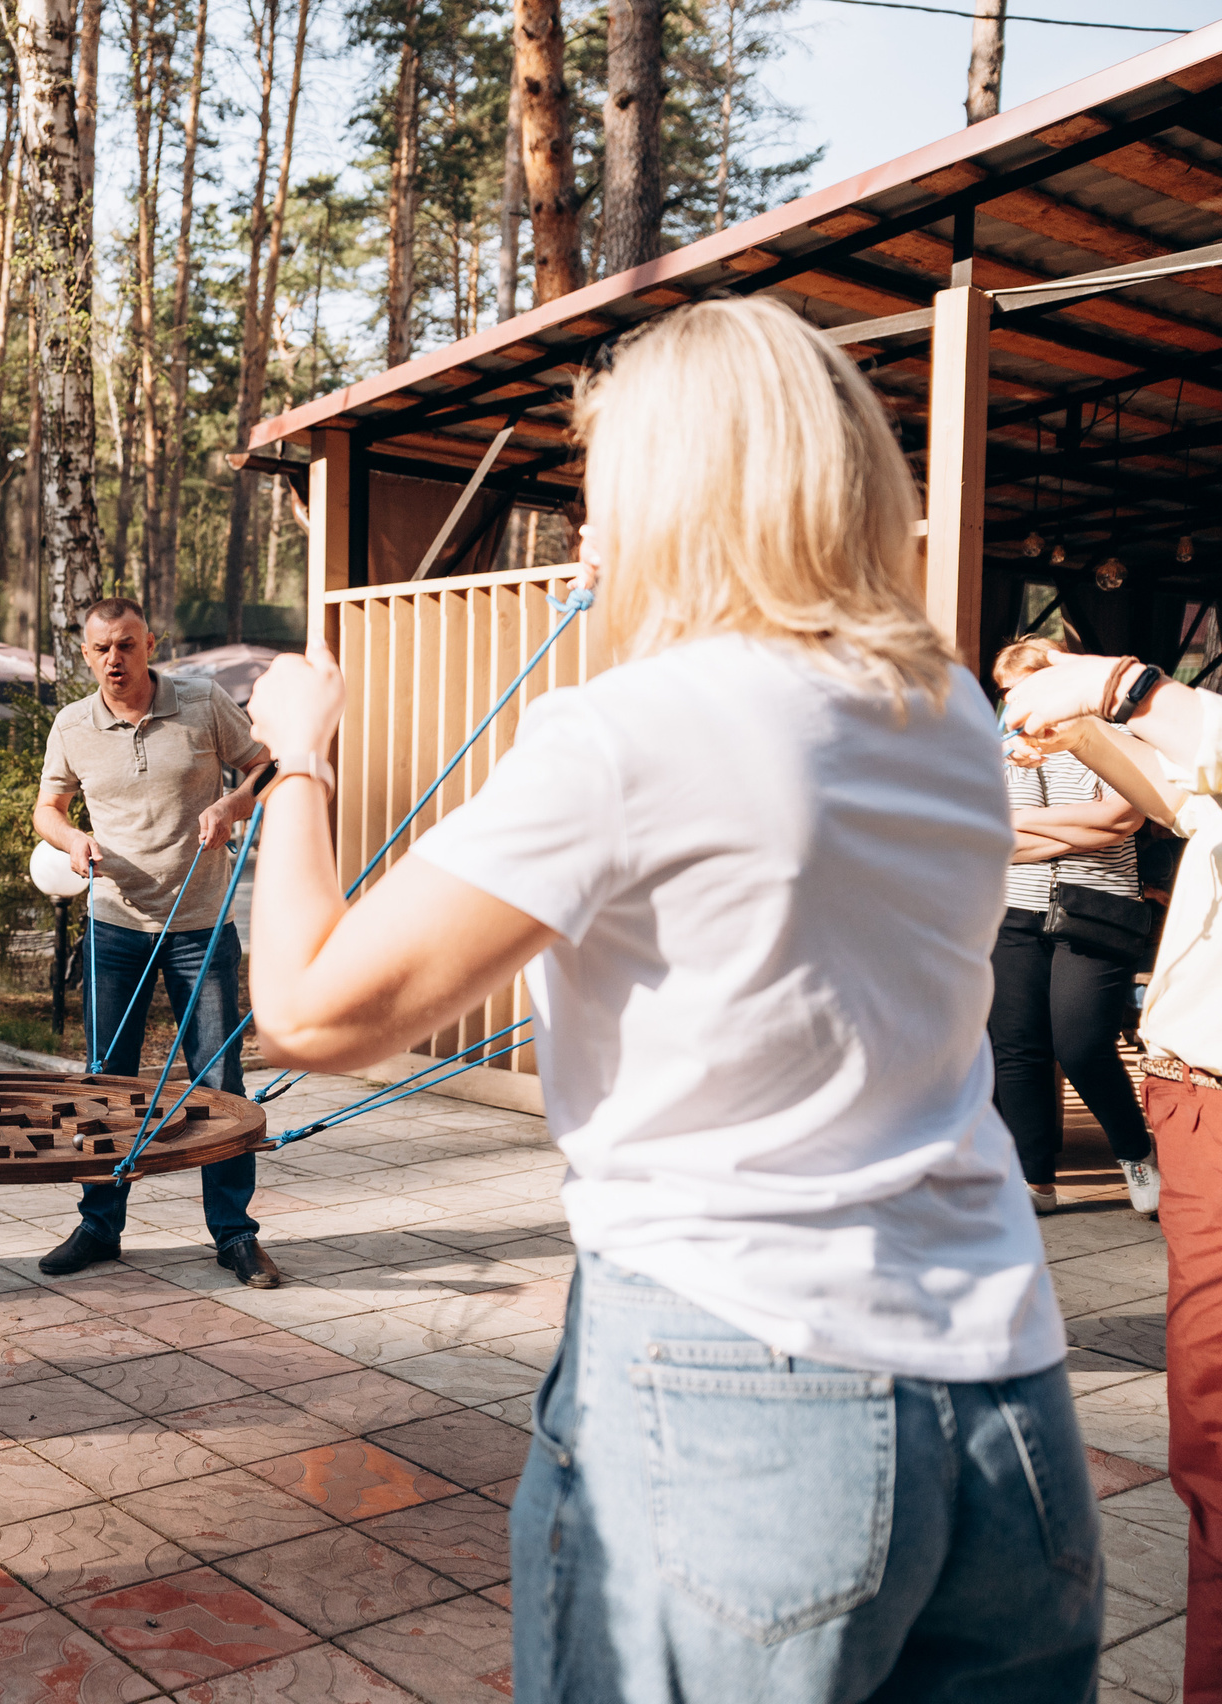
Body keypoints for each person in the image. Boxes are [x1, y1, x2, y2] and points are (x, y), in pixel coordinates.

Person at [249, 296, 1096, 1701]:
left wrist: (300, 760)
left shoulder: (641, 729)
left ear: (687, 494)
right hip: (1005, 1393)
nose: (588, 534)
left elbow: (316, 1009)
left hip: (741, 1381)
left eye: (607, 490)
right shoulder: (946, 710)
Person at [1006, 645, 1222, 1700]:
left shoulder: (1169, 701)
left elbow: (1131, 812)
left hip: (1206, 1081)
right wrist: (1088, 727)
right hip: (1197, 1091)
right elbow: (1187, 803)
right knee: (1206, 1440)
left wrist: (1127, 691)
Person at [33, 596, 277, 1286]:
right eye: (102, 648)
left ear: (150, 645)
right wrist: (73, 838)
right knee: (109, 1084)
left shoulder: (201, 704)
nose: (115, 659)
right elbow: (46, 809)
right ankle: (99, 1226)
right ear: (86, 655)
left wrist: (234, 803)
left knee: (220, 1084)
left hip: (201, 928)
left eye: (128, 645)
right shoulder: (71, 725)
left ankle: (234, 1234)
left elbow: (266, 766)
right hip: (114, 927)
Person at [988, 633, 1160, 1216]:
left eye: (1019, 689)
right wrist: (1077, 827)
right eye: (1003, 692)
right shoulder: (1003, 748)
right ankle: (1033, 1179)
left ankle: (1136, 1153)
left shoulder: (1113, 739)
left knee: (1083, 1043)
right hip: (1016, 908)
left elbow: (1122, 819)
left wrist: (1028, 822)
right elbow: (992, 836)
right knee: (1018, 1047)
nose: (1010, 702)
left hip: (1098, 908)